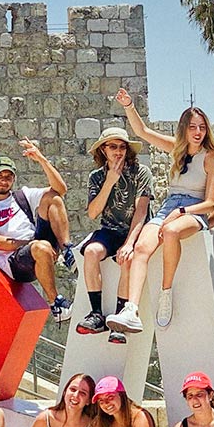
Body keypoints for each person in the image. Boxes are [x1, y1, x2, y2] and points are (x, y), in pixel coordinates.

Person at [108, 88, 214, 333]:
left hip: (193, 209)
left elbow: (210, 203)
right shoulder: (177, 149)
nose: (198, 132)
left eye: (202, 127)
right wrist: (129, 105)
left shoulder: (211, 157)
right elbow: (143, 132)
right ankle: (131, 309)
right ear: (184, 129)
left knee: (170, 232)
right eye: (192, 127)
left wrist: (181, 211)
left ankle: (166, 292)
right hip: (168, 206)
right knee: (141, 247)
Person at [0, 145, 74, 322]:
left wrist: (42, 159)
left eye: (8, 177)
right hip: (14, 262)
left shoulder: (22, 196)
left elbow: (60, 189)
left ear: (13, 179)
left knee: (54, 198)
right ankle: (56, 304)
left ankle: (68, 251)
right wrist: (30, 244)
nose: (3, 181)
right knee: (40, 246)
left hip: (37, 245)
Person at [74, 128, 154, 344]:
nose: (118, 152)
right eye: (112, 147)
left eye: (121, 146)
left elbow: (141, 211)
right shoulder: (97, 177)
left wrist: (129, 243)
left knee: (127, 259)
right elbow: (93, 212)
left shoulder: (141, 172)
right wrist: (109, 181)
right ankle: (97, 314)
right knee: (91, 252)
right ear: (103, 149)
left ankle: (119, 319)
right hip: (109, 229)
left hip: (136, 230)